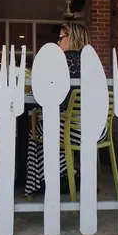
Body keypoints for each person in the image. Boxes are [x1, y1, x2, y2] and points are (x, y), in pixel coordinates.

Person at [25, 22, 107, 196]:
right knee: (52, 125)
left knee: (38, 130)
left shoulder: (60, 63)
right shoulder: (93, 64)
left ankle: (55, 177)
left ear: (72, 39)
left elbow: (50, 100)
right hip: (98, 129)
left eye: (61, 37)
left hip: (73, 130)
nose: (58, 41)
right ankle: (67, 174)